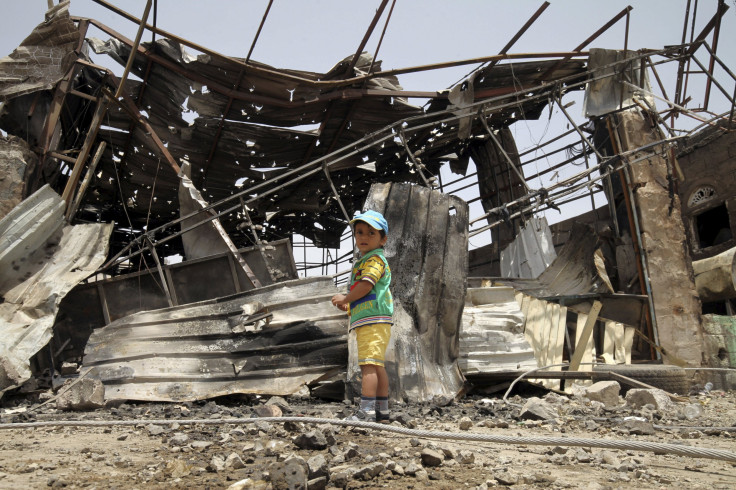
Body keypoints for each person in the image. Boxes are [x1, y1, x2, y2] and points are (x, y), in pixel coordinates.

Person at [331, 210, 393, 423]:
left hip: (373, 321)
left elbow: (366, 286)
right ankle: (381, 411)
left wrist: (346, 298)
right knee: (376, 365)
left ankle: (365, 412)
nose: (363, 237)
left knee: (368, 366)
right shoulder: (369, 260)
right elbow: (368, 293)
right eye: (359, 232)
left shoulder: (374, 261)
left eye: (371, 233)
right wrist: (349, 306)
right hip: (376, 319)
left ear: (383, 239)